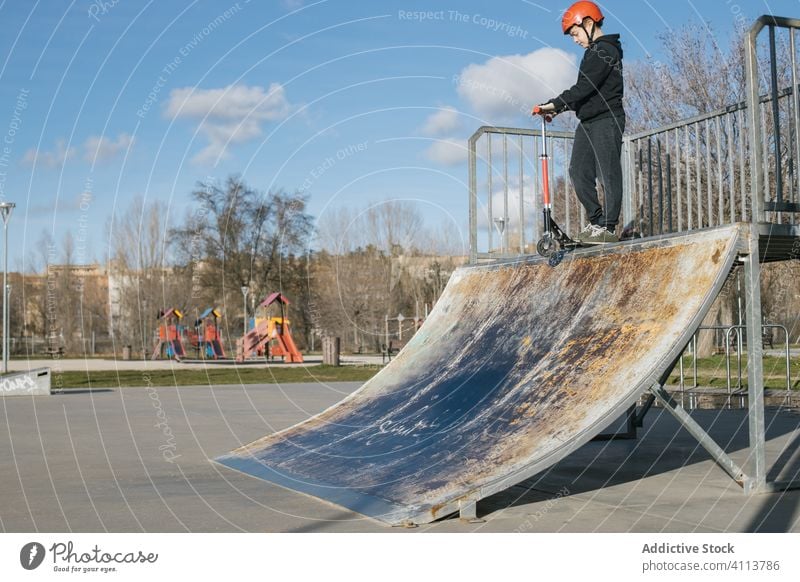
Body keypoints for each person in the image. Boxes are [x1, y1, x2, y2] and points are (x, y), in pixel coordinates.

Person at [538, 1, 625, 244]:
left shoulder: (604, 51)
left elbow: (584, 87)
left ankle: (608, 227)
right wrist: (558, 108)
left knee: (607, 173)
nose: (575, 40)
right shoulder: (592, 53)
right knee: (578, 170)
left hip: (607, 119)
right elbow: (586, 94)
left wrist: (556, 103)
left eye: (575, 34)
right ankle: (596, 222)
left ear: (588, 23)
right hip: (588, 121)